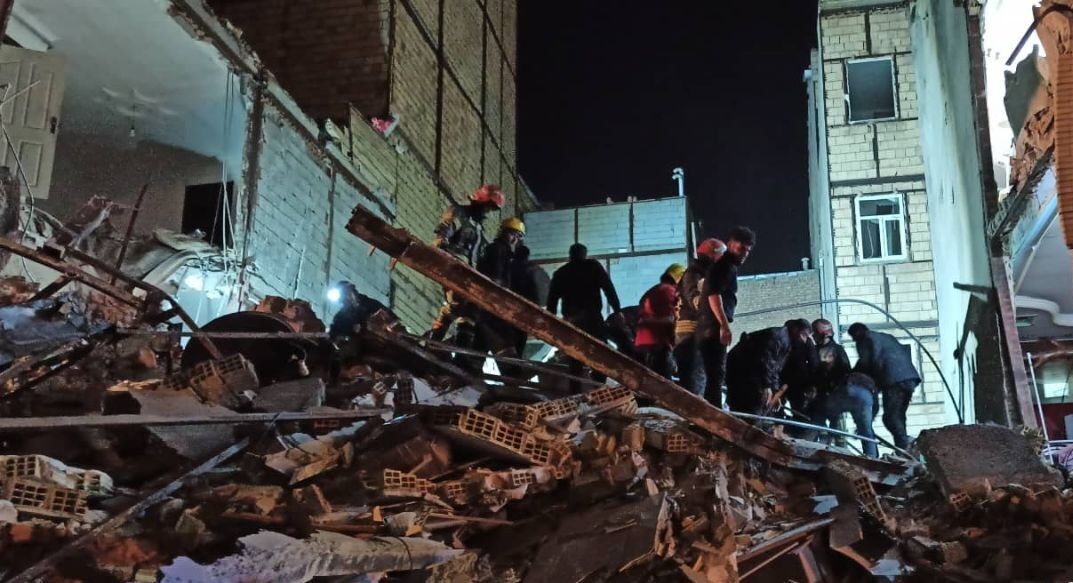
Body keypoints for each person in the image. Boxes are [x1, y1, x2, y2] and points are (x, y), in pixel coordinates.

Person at [428, 184, 505, 342]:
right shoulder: (459, 213)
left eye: (491, 209)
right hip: (453, 266)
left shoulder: (479, 229)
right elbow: (442, 235)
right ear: (479, 201)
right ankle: (443, 344)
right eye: (487, 207)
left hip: (468, 274)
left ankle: (435, 343)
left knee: (463, 309)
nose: (487, 212)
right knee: (464, 306)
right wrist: (441, 256)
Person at [547, 243, 623, 392]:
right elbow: (608, 288)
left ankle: (575, 394)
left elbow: (552, 300)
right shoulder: (593, 267)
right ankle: (599, 390)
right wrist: (617, 310)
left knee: (575, 360)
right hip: (593, 318)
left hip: (572, 321)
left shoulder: (561, 273)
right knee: (599, 356)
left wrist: (551, 321)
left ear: (570, 255)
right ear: (585, 254)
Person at [696, 227, 756, 407]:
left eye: (748, 250)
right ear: (730, 244)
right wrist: (724, 325)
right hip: (712, 328)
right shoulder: (724, 266)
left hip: (708, 328)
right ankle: (713, 415)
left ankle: (711, 412)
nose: (744, 254)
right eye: (741, 248)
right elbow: (713, 295)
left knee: (714, 376)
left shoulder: (726, 266)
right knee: (715, 376)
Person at [848, 322, 921, 449]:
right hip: (909, 378)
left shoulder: (866, 340)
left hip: (894, 381)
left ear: (858, 333)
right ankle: (904, 447)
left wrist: (852, 374)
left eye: (853, 337)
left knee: (890, 418)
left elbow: (866, 362)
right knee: (898, 415)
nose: (854, 341)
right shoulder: (885, 337)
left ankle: (905, 445)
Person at [725, 319, 809, 415]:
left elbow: (774, 368)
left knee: (755, 404)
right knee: (750, 405)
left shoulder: (786, 340)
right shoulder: (778, 338)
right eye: (804, 335)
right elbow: (766, 361)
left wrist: (774, 391)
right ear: (795, 329)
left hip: (748, 371)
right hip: (742, 370)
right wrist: (767, 386)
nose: (804, 340)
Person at [674, 238, 725, 396]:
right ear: (714, 255)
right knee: (695, 385)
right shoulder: (696, 274)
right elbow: (696, 301)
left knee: (701, 381)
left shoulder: (700, 273)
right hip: (692, 336)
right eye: (722, 256)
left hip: (693, 335)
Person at [634, 264, 685, 379]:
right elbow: (672, 318)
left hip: (641, 342)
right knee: (662, 383)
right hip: (658, 343)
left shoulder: (653, 290)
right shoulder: (671, 292)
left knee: (646, 381)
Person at [812, 318, 851, 442]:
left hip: (834, 397)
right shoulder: (814, 350)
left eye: (814, 333)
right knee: (822, 432)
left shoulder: (837, 351)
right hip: (821, 397)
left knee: (838, 433)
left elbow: (846, 373)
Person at [780, 318, 821, 431]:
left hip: (795, 381)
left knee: (796, 410)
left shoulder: (802, 342)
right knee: (792, 409)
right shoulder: (796, 341)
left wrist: (812, 384)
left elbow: (814, 363)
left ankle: (797, 430)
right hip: (792, 381)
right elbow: (814, 363)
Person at [509, 244, 549, 358]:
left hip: (508, 307)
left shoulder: (509, 267)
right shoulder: (534, 269)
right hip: (526, 310)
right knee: (520, 338)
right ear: (527, 256)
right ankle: (518, 360)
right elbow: (544, 290)